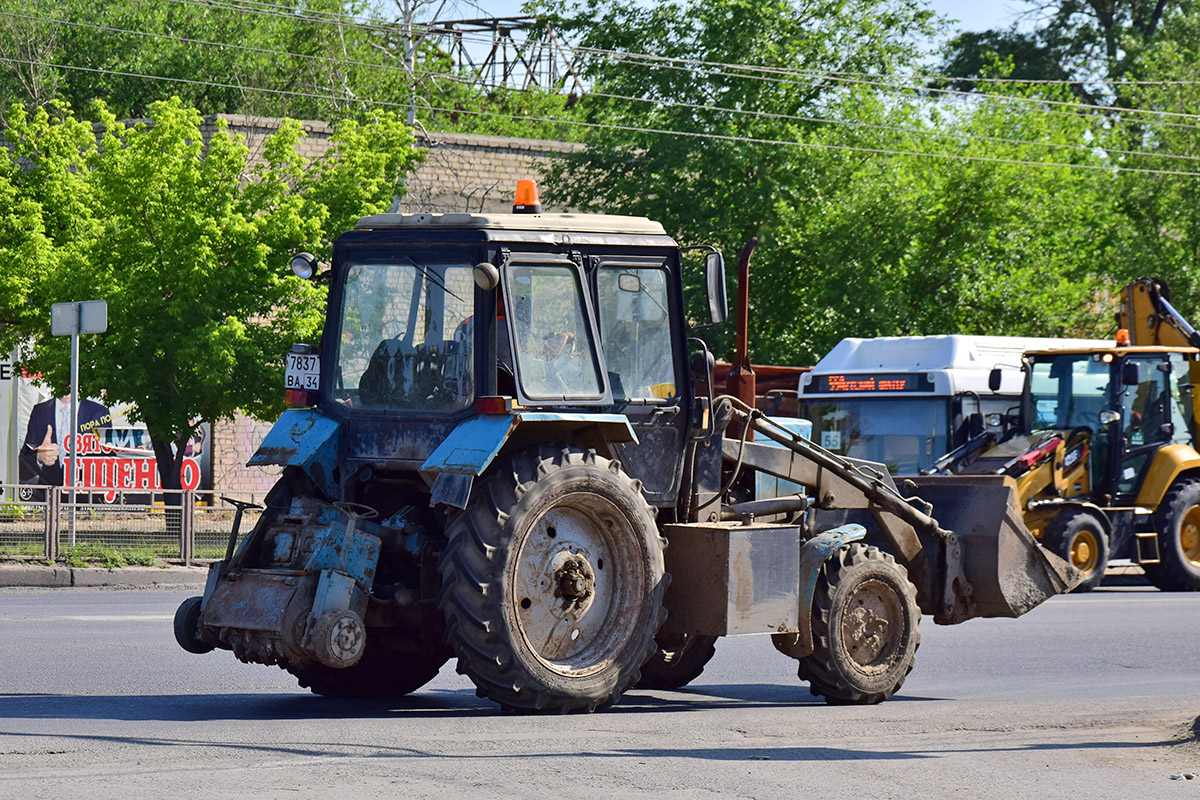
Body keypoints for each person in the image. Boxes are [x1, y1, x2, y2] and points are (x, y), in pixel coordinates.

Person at [18, 393, 112, 493]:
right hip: (49, 496)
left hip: (86, 496)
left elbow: (108, 460)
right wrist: (38, 456)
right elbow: (24, 460)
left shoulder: (99, 412)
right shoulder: (40, 411)